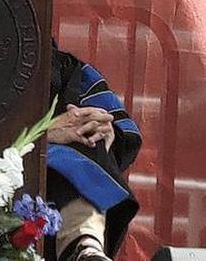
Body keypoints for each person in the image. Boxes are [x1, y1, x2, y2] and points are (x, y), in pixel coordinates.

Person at [45, 44, 142, 261]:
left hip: (56, 198)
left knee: (87, 132)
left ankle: (86, 249)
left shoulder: (66, 70)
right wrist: (42, 134)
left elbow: (124, 133)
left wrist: (107, 130)